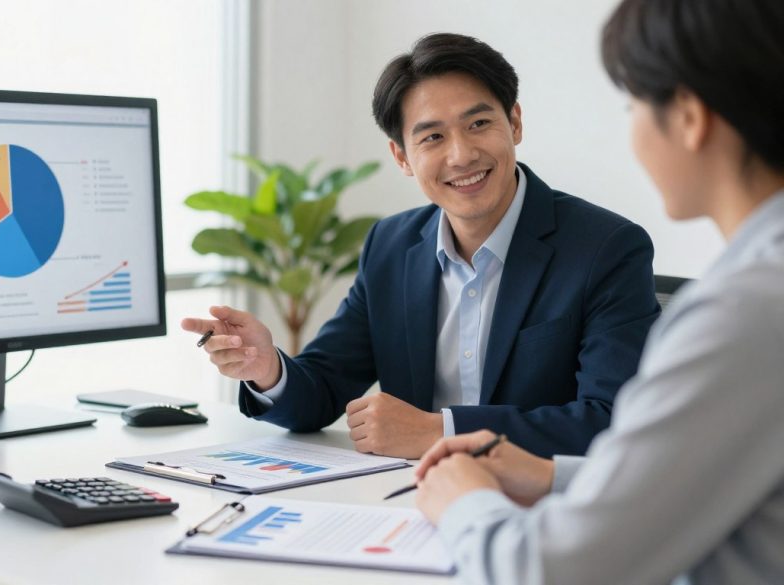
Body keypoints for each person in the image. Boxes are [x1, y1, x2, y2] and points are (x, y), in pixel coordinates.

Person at [413, 0, 784, 583]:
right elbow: (688, 473)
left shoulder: (744, 313)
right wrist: (549, 474)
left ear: (688, 117)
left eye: (632, 103)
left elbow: (554, 571)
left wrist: (462, 499)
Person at [182, 33, 660, 459]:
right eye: (432, 136)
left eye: (478, 124)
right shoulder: (390, 245)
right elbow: (325, 389)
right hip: (405, 503)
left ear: (514, 123)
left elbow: (611, 420)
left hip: (538, 508)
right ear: (402, 157)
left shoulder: (607, 248)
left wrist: (440, 431)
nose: (461, 155)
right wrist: (267, 369)